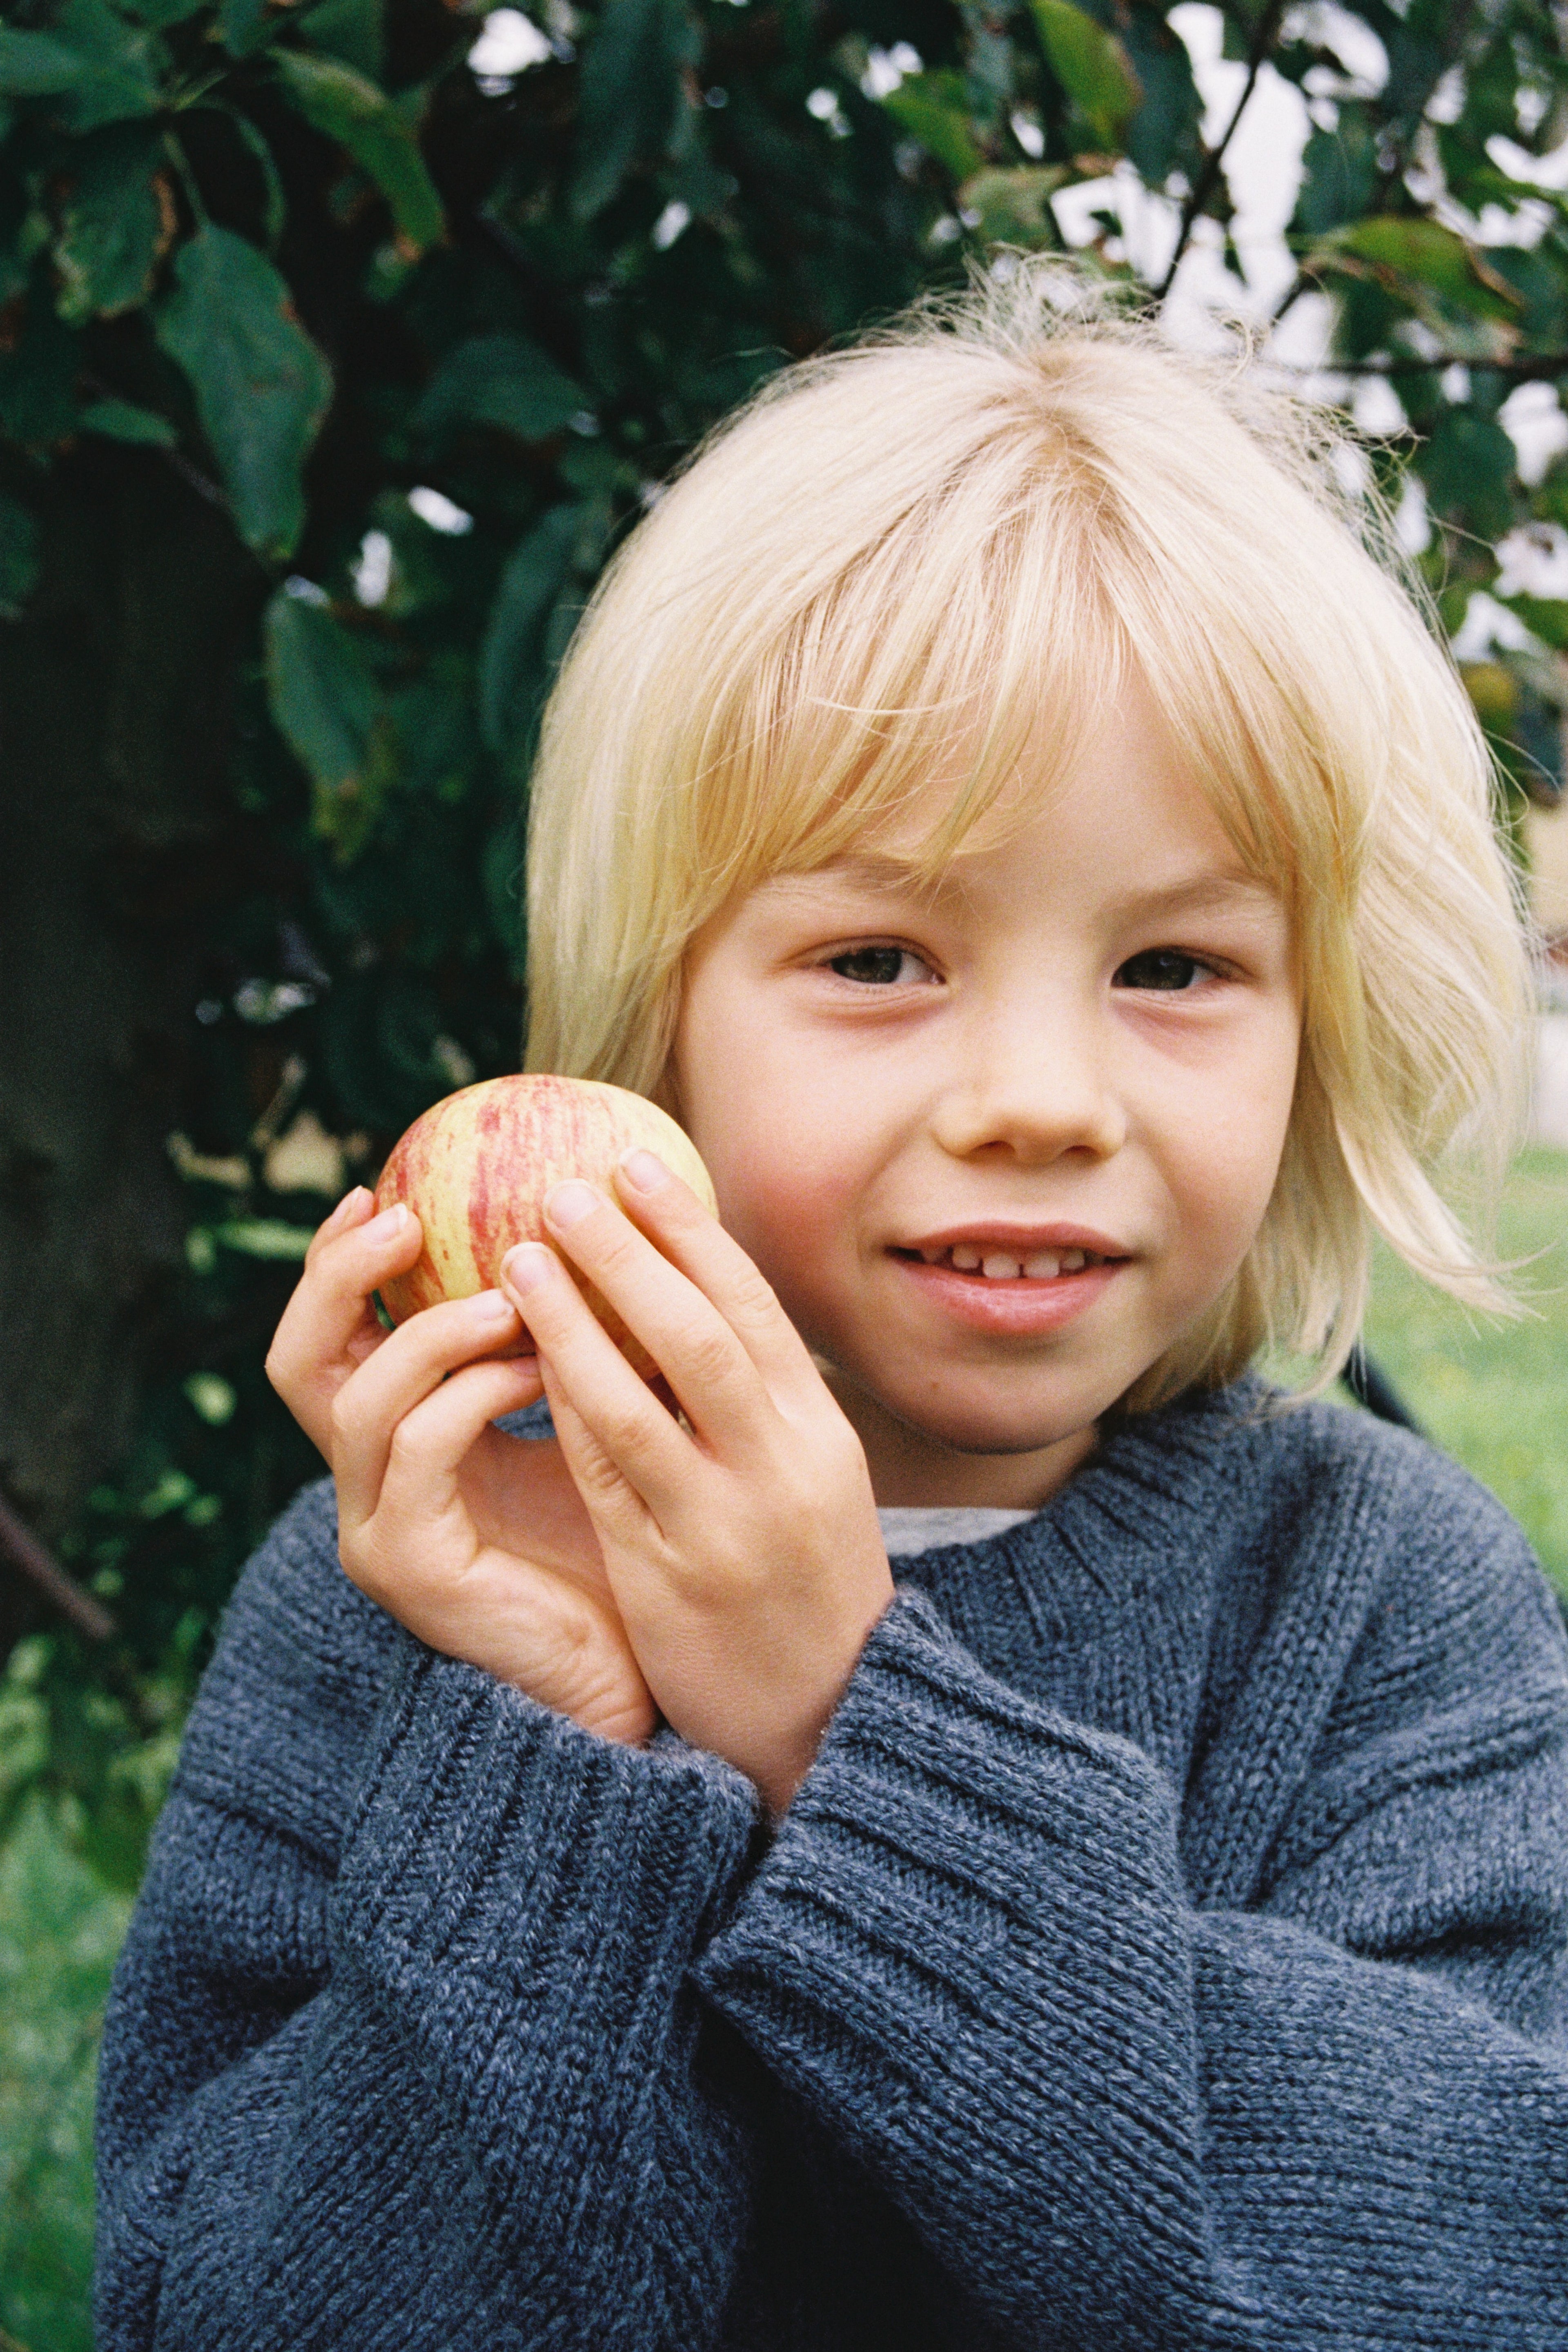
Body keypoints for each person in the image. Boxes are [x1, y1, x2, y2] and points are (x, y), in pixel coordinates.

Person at [94, 268, 1568, 2348]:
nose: (1041, 1101)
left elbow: (1489, 2259)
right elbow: (220, 2310)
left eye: (1175, 970)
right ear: (656, 1037)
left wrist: (839, 1724)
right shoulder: (392, 1608)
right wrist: (556, 1742)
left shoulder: (1375, 1604)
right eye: (880, 958)